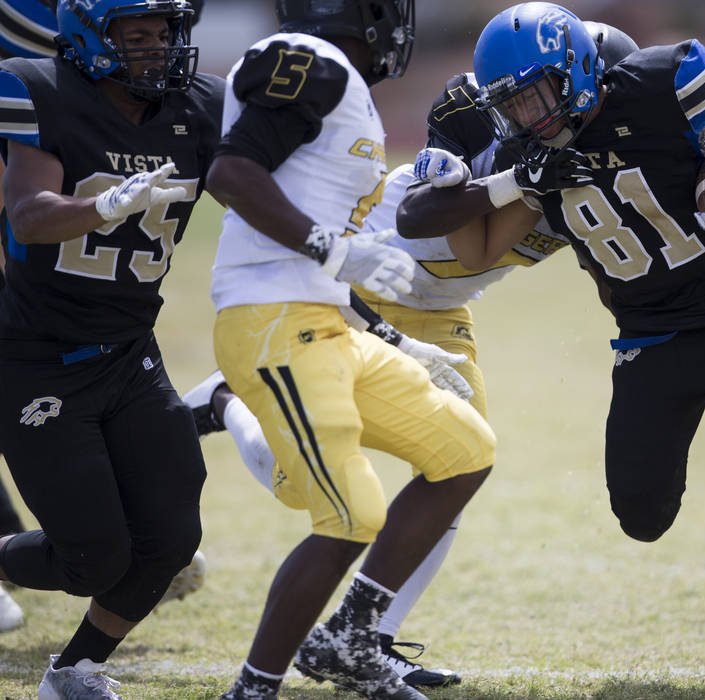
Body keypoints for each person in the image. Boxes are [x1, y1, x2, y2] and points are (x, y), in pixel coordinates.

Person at [395, 2, 705, 696]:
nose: (527, 118)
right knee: (642, 517)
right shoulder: (533, 157)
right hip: (652, 340)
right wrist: (470, 181)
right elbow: (480, 246)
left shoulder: (663, 85)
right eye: (511, 107)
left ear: (573, 69)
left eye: (535, 96)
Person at [176, 19, 639, 689]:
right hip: (372, 271)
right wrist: (517, 176)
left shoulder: (592, 163)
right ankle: (224, 399)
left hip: (443, 305)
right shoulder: (495, 115)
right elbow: (435, 219)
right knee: (302, 482)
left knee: (458, 458)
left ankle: (363, 636)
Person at [203, 1, 494, 698]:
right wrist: (331, 248)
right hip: (271, 315)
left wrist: (391, 336)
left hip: (321, 320)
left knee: (464, 450)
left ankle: (352, 636)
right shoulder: (313, 61)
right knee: (352, 513)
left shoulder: (346, 86)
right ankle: (253, 690)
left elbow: (323, 243)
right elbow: (231, 174)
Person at [0, 0, 223, 697]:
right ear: (92, 40)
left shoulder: (198, 105)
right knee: (94, 558)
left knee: (170, 539)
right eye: (138, 35)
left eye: (165, 33)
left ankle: (75, 670)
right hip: (38, 357)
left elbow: (260, 177)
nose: (158, 48)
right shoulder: (38, 88)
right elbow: (29, 214)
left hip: (130, 351)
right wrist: (99, 207)